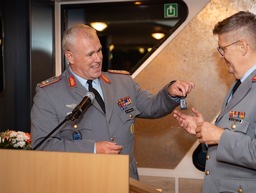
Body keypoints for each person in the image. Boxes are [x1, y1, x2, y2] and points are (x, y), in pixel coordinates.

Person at [31, 24, 194, 180]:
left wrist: (170, 92)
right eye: (89, 54)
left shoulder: (122, 82)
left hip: (125, 179)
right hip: (81, 180)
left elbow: (152, 107)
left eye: (99, 50)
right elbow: (42, 146)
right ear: (70, 57)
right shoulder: (49, 93)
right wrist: (93, 149)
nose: (98, 59)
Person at [173, 11, 256, 193]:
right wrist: (204, 129)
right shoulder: (242, 84)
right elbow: (241, 136)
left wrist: (220, 136)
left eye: (223, 49)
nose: (221, 55)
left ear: (242, 46)